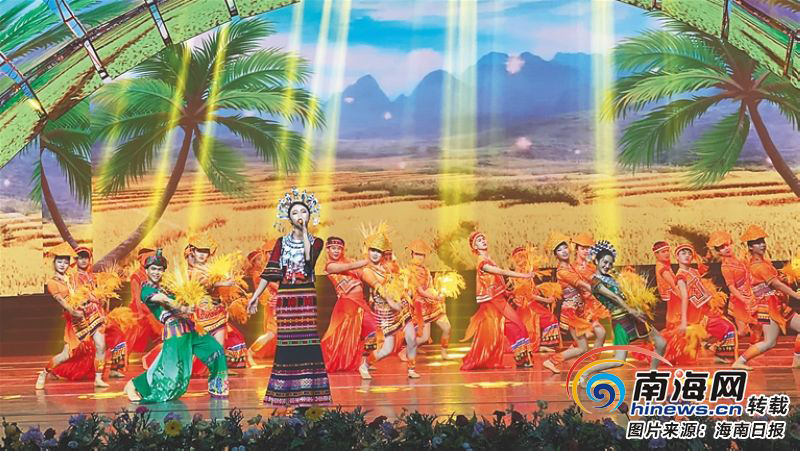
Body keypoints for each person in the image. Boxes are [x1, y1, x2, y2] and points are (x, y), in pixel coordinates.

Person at [247, 188, 331, 408]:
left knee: (308, 344)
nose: (299, 216)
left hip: (305, 298)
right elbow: (270, 271)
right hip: (286, 299)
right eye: (295, 213)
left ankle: (309, 396)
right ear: (288, 218)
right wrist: (255, 296)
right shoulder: (280, 243)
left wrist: (304, 232)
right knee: (287, 345)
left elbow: (308, 260)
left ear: (309, 215)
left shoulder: (317, 242)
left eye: (303, 211)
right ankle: (286, 396)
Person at [124, 250, 229, 402]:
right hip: (175, 332)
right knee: (171, 372)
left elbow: (190, 291)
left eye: (159, 269)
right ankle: (134, 385)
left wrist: (219, 285)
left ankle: (218, 389)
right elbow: (164, 300)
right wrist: (182, 308)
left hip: (191, 328)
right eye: (153, 269)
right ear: (146, 270)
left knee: (216, 350)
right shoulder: (146, 289)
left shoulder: (169, 286)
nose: (156, 272)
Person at [577, 241, 667, 386]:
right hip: (621, 321)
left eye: (610, 263)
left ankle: (653, 374)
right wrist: (630, 309)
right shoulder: (595, 283)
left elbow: (625, 293)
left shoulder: (611, 278)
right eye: (604, 262)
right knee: (619, 361)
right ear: (597, 261)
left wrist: (638, 299)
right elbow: (614, 297)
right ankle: (586, 372)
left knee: (661, 343)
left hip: (633, 316)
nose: (607, 265)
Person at [36, 243, 109, 389]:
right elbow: (63, 302)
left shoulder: (72, 276)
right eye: (59, 262)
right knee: (67, 354)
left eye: (65, 262)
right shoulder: (52, 283)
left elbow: (86, 292)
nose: (62, 265)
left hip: (90, 314)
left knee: (101, 346)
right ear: (54, 263)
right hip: (75, 320)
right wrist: (75, 312)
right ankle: (44, 372)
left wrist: (96, 299)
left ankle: (98, 378)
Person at [461, 231, 534, 370]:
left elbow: (495, 281)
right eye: (479, 240)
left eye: (483, 238)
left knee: (516, 326)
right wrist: (524, 275)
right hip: (493, 302)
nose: (483, 241)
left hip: (498, 299)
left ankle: (523, 359)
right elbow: (502, 272)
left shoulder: (489, 259)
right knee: (515, 326)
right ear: (475, 247)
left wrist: (507, 291)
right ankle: (522, 359)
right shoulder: (482, 262)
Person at [732, 225, 800, 370]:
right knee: (769, 342)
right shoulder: (759, 266)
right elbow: (776, 284)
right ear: (750, 247)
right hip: (767, 308)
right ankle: (740, 362)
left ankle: (797, 360)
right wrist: (796, 295)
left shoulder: (764, 263)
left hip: (777, 305)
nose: (762, 245)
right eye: (757, 243)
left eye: (762, 241)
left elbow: (775, 281)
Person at [359, 225, 421, 378]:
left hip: (400, 306)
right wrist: (392, 302)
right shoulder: (367, 270)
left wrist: (406, 290)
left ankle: (411, 369)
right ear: (368, 251)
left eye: (379, 251)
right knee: (387, 349)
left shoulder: (387, 266)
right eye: (373, 250)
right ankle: (365, 365)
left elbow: (399, 280)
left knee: (412, 339)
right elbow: (379, 287)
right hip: (385, 312)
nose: (375, 254)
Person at [186, 234, 253, 369]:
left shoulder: (211, 268)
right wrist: (223, 283)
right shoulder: (193, 270)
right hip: (202, 313)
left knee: (220, 346)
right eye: (199, 251)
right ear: (193, 251)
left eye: (206, 251)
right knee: (203, 345)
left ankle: (219, 373)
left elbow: (220, 287)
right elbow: (203, 284)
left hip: (218, 311)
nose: (202, 254)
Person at [543, 233, 607, 374]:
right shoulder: (563, 271)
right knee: (584, 346)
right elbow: (581, 284)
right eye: (559, 250)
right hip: (571, 312)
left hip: (579, 310)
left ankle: (592, 363)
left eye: (565, 248)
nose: (564, 251)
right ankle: (552, 361)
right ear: (556, 255)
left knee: (590, 340)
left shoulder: (571, 266)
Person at [662, 243, 736, 364]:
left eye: (689, 253)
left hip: (705, 313)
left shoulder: (694, 271)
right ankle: (714, 350)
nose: (687, 255)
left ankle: (719, 352)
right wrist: (684, 322)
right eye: (683, 253)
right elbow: (685, 298)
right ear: (677, 257)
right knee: (686, 359)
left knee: (728, 327)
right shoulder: (681, 277)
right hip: (695, 318)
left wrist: (713, 303)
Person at [321, 236, 376, 378]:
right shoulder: (330, 266)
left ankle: (364, 362)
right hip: (347, 305)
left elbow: (363, 273)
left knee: (372, 331)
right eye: (333, 248)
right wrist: (366, 261)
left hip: (360, 302)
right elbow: (346, 267)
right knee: (342, 338)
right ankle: (361, 364)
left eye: (339, 249)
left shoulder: (350, 262)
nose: (336, 251)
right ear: (328, 250)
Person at [71, 247, 127, 378]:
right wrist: (92, 297)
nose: (83, 260)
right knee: (79, 351)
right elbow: (78, 298)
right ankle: (57, 369)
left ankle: (115, 368)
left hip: (100, 316)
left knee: (118, 336)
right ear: (76, 260)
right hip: (85, 318)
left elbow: (102, 295)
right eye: (80, 257)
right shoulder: (74, 278)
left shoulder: (93, 276)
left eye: (86, 257)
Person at [709, 231, 759, 341]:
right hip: (739, 300)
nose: (726, 248)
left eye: (727, 245)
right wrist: (744, 300)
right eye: (722, 248)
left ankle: (755, 347)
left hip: (751, 295)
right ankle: (716, 343)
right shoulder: (726, 266)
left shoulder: (739, 259)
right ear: (719, 252)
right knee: (742, 331)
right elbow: (731, 287)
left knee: (758, 327)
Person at [508, 246, 559, 353]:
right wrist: (546, 300)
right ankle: (537, 346)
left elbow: (531, 292)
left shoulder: (526, 272)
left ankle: (542, 345)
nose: (523, 259)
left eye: (524, 257)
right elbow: (528, 295)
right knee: (537, 323)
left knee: (548, 318)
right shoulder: (520, 274)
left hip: (530, 304)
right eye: (520, 257)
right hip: (526, 307)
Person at [408, 239, 452, 360]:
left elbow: (430, 287)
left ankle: (444, 352)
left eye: (422, 255)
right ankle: (404, 351)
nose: (419, 257)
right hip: (421, 306)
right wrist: (435, 297)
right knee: (424, 337)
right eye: (417, 254)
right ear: (412, 255)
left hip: (432, 303)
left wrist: (438, 293)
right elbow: (420, 291)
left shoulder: (426, 270)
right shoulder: (411, 272)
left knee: (447, 327)